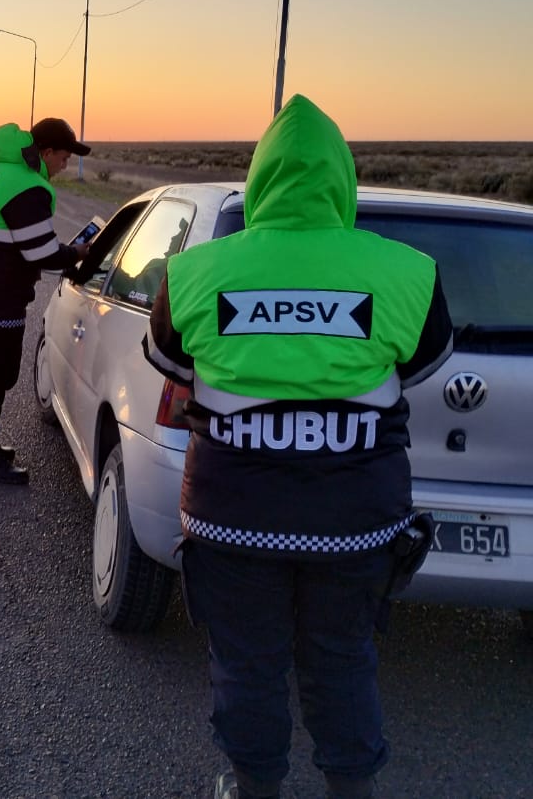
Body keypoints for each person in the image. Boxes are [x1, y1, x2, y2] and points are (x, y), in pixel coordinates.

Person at [143, 95, 454, 799]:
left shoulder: (197, 272)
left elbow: (167, 357)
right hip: (357, 522)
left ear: (259, 181)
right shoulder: (408, 272)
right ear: (342, 180)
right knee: (343, 659)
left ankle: (253, 786)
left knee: (246, 664)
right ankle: (352, 789)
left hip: (233, 519)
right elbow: (424, 363)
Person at [0, 117, 91, 483]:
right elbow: (42, 254)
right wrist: (79, 253)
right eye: (63, 158)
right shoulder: (27, 187)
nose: (63, 167)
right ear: (45, 153)